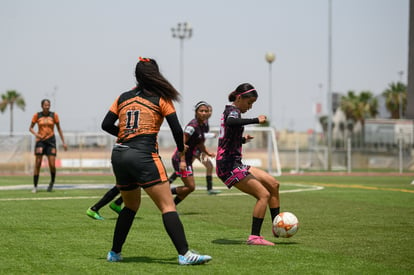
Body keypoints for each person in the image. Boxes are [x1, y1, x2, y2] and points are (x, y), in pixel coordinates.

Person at [102, 57, 211, 265]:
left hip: (119, 154)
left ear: (136, 75)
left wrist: (125, 135)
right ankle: (185, 254)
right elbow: (177, 130)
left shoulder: (122, 97)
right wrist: (181, 150)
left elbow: (106, 124)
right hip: (142, 154)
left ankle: (114, 253)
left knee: (130, 205)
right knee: (167, 205)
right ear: (156, 74)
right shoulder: (161, 98)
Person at [215, 83, 280, 246]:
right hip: (228, 166)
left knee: (273, 184)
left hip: (235, 163)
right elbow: (231, 122)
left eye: (252, 104)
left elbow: (228, 135)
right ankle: (254, 237)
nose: (250, 107)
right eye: (249, 103)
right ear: (239, 98)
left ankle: (278, 226)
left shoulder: (232, 111)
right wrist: (256, 120)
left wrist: (242, 139)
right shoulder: (232, 112)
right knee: (263, 195)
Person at [168, 103, 221, 195]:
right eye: (202, 111)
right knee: (188, 176)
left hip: (197, 151)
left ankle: (209, 189)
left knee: (206, 167)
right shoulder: (193, 125)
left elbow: (200, 140)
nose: (206, 113)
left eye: (208, 111)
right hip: (193, 152)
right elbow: (183, 142)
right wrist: (183, 160)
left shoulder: (204, 124)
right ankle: (165, 189)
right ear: (196, 112)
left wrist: (207, 152)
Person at [29, 99, 67, 193]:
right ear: (42, 106)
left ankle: (52, 182)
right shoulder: (37, 115)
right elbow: (30, 128)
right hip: (40, 141)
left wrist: (63, 142)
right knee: (37, 163)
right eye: (45, 105)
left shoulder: (54, 115)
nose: (47, 106)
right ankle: (35, 186)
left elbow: (59, 129)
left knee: (52, 165)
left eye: (48, 105)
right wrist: (37, 135)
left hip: (51, 141)